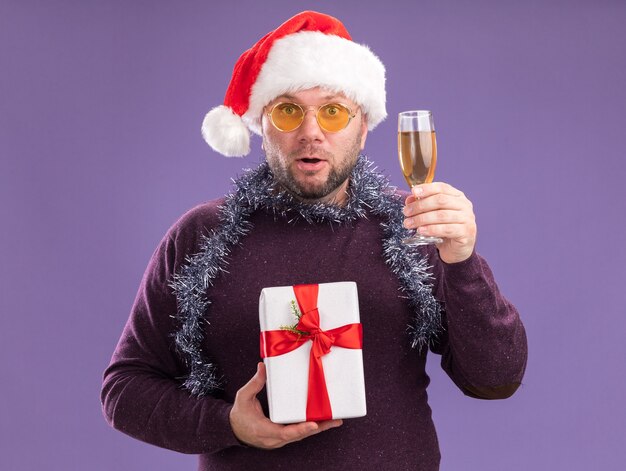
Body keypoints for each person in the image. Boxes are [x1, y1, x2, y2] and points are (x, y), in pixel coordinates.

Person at [101, 10, 527, 471]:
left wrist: (462, 261)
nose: (311, 132)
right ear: (262, 125)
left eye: (332, 110)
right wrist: (228, 424)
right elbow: (125, 389)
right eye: (288, 110)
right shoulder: (201, 235)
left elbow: (496, 379)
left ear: (362, 128)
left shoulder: (415, 228)